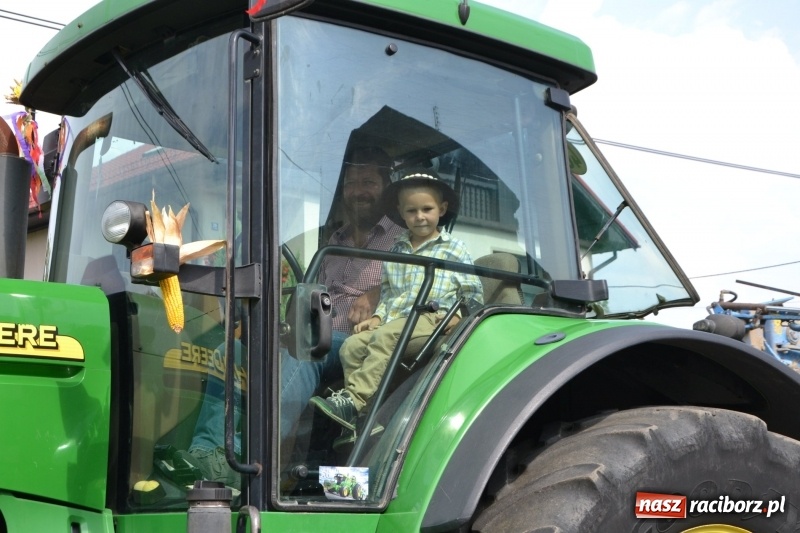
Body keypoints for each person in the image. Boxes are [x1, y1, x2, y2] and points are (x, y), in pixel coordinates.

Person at [185, 146, 404, 488]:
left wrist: (375, 294)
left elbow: (413, 287)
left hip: (364, 343)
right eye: (350, 182)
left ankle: (248, 460)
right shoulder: (335, 240)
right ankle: (206, 452)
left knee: (309, 349)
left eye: (368, 181)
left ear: (385, 186)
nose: (358, 190)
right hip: (323, 336)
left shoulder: (402, 241)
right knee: (232, 353)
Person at [309, 168, 483, 434]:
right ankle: (366, 419)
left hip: (434, 319)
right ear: (401, 213)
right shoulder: (398, 248)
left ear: (442, 208)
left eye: (427, 209)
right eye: (412, 211)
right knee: (351, 347)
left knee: (385, 338)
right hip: (397, 320)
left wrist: (461, 317)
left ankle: (354, 401)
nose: (420, 217)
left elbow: (472, 291)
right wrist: (377, 318)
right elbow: (390, 293)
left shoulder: (453, 248)